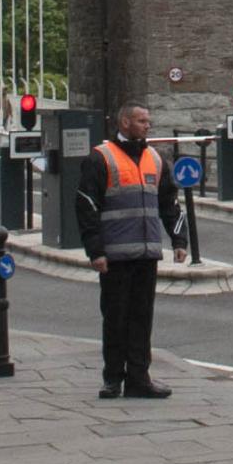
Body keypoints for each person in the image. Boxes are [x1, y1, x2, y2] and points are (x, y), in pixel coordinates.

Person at [76, 102, 185, 400]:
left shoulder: (155, 159)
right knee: (115, 317)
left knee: (141, 318)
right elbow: (87, 206)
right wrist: (95, 251)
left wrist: (179, 240)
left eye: (148, 121)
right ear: (124, 123)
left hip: (147, 254)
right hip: (115, 256)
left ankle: (139, 378)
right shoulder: (101, 158)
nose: (147, 126)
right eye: (141, 121)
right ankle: (112, 378)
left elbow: (170, 204)